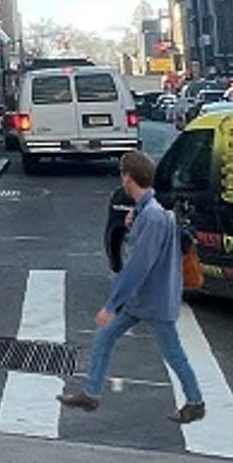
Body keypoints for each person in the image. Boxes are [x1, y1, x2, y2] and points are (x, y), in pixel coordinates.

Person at [59, 150, 206, 423]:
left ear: (128, 178)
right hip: (142, 300)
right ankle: (91, 393)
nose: (121, 180)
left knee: (173, 353)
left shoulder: (152, 216)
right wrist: (133, 221)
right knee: (105, 337)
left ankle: (195, 402)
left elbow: (139, 266)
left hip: (154, 300)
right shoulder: (148, 212)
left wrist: (111, 304)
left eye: (121, 175)